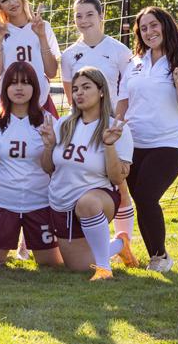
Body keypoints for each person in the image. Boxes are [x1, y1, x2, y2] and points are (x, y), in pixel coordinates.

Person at [116, 7, 178, 273]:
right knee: (141, 199)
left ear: (166, 26)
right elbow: (123, 101)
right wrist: (117, 127)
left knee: (146, 195)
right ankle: (158, 256)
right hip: (134, 143)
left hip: (168, 142)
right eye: (144, 28)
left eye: (154, 25)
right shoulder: (135, 63)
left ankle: (160, 257)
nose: (149, 32)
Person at [40, 67, 138, 281]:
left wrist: (109, 145)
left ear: (101, 91)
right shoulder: (64, 124)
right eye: (75, 89)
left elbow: (117, 179)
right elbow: (48, 168)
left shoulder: (116, 128)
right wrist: (48, 146)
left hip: (99, 198)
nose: (79, 93)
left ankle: (104, 270)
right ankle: (121, 244)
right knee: (78, 266)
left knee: (87, 203)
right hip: (61, 202)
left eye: (86, 87)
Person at [60, 0, 136, 243]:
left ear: (102, 16)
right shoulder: (70, 55)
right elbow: (71, 94)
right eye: (78, 16)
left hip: (110, 127)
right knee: (73, 178)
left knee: (120, 185)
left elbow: (126, 91)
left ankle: (124, 242)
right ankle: (72, 238)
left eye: (89, 14)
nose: (84, 20)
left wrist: (118, 123)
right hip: (82, 127)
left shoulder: (120, 51)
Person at [0, 62, 62, 267]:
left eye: (25, 83)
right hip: (2, 202)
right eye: (13, 83)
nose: (19, 88)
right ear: (5, 87)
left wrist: (49, 147)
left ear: (35, 88)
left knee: (52, 266)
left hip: (40, 202)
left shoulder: (48, 121)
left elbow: (52, 169)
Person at [0, 0, 60, 116]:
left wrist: (42, 37)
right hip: (9, 103)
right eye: (4, 0)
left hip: (41, 101)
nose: (12, 3)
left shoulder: (43, 26)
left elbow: (51, 73)